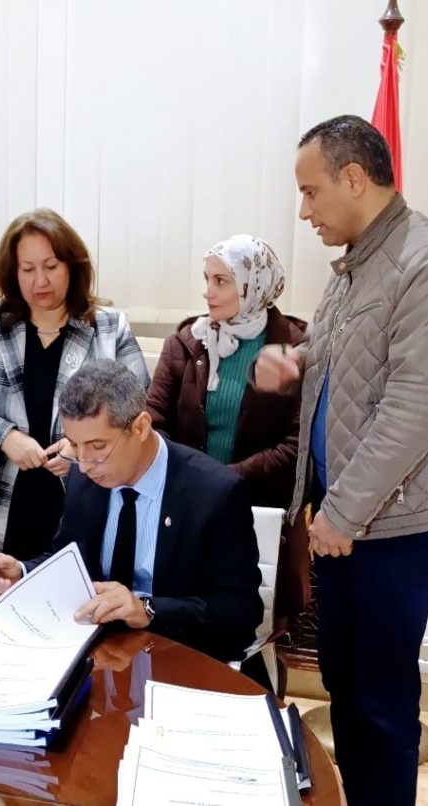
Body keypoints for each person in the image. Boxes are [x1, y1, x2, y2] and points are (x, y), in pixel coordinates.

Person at [254, 115, 428, 806]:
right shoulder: (359, 265)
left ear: (353, 178)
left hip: (391, 521)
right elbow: (352, 359)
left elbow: (415, 406)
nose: (304, 211)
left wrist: (344, 513)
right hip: (350, 519)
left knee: (379, 704)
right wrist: (295, 361)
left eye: (310, 191)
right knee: (346, 684)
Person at [0, 359, 262, 663]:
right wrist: (21, 573)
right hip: (100, 656)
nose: (85, 464)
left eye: (98, 446)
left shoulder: (214, 493)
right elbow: (68, 558)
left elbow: (241, 610)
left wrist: (147, 609)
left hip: (181, 659)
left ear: (140, 427)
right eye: (74, 445)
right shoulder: (83, 478)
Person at [0, 209, 149, 587]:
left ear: (72, 266)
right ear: (12, 272)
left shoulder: (108, 328)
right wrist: (4, 438)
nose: (41, 280)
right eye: (28, 269)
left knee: (72, 603)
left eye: (51, 266)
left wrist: (80, 449)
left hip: (78, 504)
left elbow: (138, 412)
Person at [146, 234, 310, 632]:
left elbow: (296, 445)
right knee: (185, 618)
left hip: (261, 509)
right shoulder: (187, 342)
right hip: (189, 507)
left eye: (221, 281)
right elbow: (154, 421)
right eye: (207, 279)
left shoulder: (294, 346)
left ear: (254, 285)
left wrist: (223, 482)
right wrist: (199, 483)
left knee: (254, 623)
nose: (208, 292)